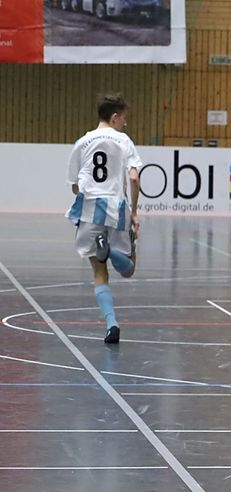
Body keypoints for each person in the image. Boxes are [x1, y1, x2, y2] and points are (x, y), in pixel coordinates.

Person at [65, 93, 142, 344]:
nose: (125, 123)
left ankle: (111, 325)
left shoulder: (82, 142)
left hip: (90, 210)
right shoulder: (124, 140)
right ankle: (109, 251)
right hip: (116, 207)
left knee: (99, 272)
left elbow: (75, 185)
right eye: (124, 119)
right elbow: (134, 179)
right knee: (128, 269)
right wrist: (134, 212)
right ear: (115, 117)